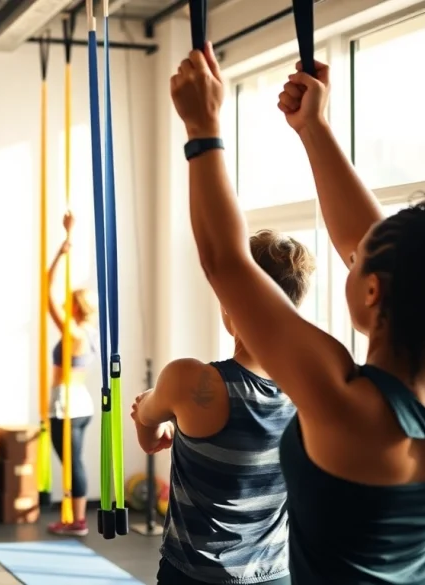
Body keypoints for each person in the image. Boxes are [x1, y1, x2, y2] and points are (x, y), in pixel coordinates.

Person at [170, 43, 425, 585]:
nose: (349, 254)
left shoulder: (342, 400)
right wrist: (314, 128)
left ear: (372, 291)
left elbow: (226, 262)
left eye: (356, 262)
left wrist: (201, 128)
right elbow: (385, 252)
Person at [131, 229, 314, 585]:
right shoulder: (312, 390)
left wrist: (155, 410)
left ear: (231, 301)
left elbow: (149, 437)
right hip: (275, 575)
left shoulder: (187, 379)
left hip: (192, 576)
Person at [44, 211, 98, 537]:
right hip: (80, 404)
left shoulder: (74, 332)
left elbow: (47, 291)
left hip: (66, 406)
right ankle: (74, 518)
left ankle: (77, 521)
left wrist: (61, 250)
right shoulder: (89, 332)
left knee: (71, 463)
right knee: (72, 462)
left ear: (75, 307)